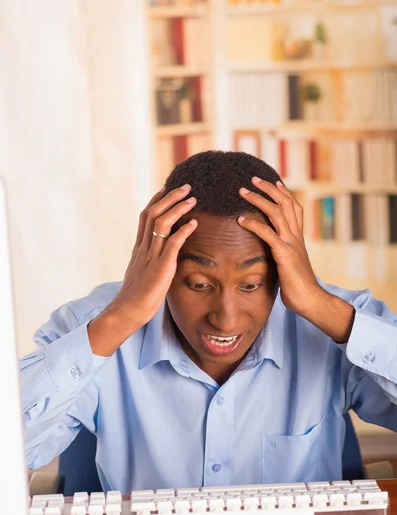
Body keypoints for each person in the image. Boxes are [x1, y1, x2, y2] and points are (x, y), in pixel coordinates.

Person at [21, 151, 397, 491]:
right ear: (160, 264)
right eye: (199, 284)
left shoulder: (337, 320)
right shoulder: (95, 326)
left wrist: (319, 304)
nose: (225, 318)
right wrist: (125, 315)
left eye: (251, 284)